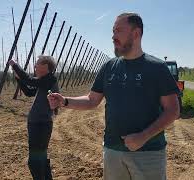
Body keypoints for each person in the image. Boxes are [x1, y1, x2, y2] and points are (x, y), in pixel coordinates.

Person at [48, 12, 180, 180]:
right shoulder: (109, 67)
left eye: (118, 31)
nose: (113, 36)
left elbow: (173, 110)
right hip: (112, 151)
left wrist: (143, 136)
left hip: (148, 153)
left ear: (136, 33)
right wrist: (65, 101)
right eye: (113, 31)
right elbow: (92, 100)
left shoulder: (157, 68)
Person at [9, 55, 58, 180]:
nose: (35, 67)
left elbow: (30, 80)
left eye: (37, 64)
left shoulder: (50, 80)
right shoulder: (43, 81)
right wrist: (19, 79)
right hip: (37, 125)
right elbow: (29, 92)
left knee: (35, 162)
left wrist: (15, 65)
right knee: (41, 159)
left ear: (46, 67)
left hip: (41, 125)